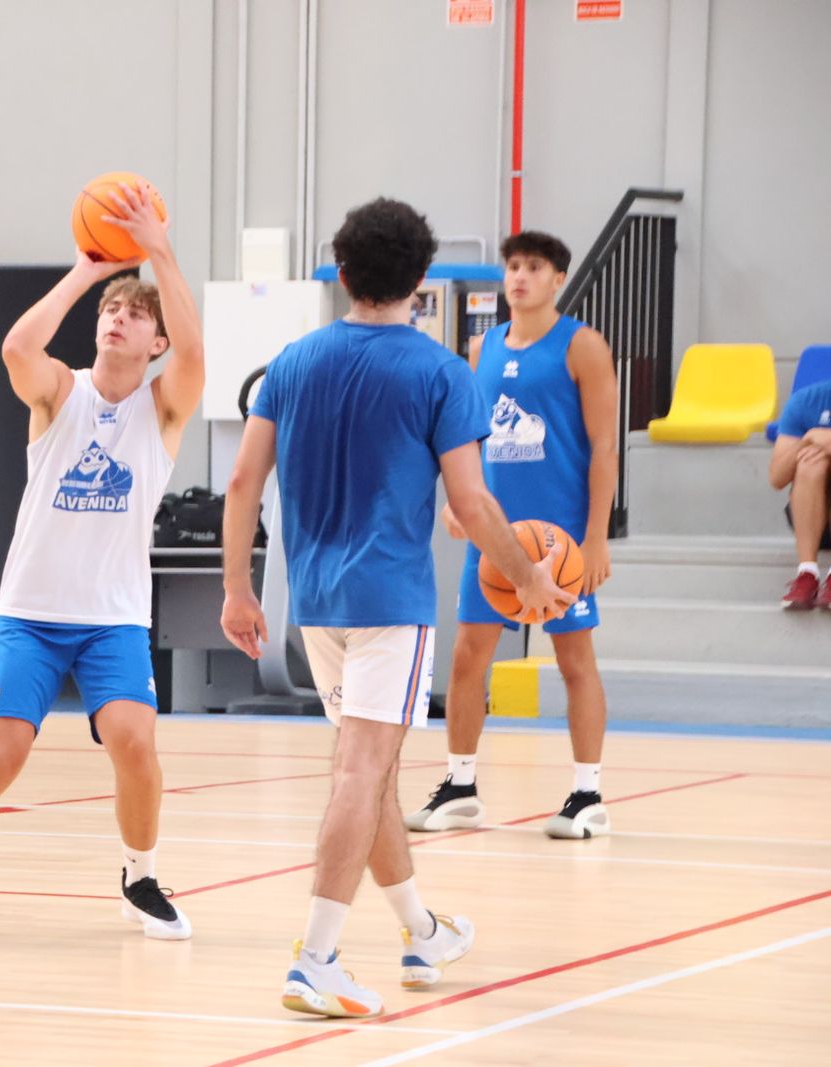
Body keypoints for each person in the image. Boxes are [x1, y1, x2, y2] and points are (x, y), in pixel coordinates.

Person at [220, 198, 573, 1017]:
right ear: (422, 279)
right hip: (390, 602)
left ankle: (422, 930)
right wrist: (528, 577)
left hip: (315, 601)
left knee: (365, 770)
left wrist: (238, 587)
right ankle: (315, 957)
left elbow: (243, 483)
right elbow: (475, 504)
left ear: (341, 272)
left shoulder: (292, 361)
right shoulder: (440, 371)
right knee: (361, 770)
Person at [0, 182, 205, 941]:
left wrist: (158, 248)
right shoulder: (60, 393)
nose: (120, 319)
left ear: (155, 341)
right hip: (30, 611)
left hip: (112, 618)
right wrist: (90, 269)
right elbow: (18, 348)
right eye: (112, 311)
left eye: (137, 313)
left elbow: (196, 351)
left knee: (136, 743)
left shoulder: (164, 406)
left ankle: (140, 874)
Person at [406, 230, 620, 841]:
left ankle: (588, 793)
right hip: (497, 534)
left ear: (558, 279)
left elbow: (605, 447)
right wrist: (462, 500)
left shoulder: (583, 346)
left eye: (533, 267)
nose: (519, 276)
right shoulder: (487, 346)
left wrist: (597, 539)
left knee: (573, 660)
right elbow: (471, 434)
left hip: (559, 540)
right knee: (469, 656)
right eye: (513, 267)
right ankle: (461, 785)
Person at [769, 376, 831, 609]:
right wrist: (807, 440)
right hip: (813, 521)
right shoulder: (808, 400)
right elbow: (777, 478)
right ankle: (807, 573)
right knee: (809, 463)